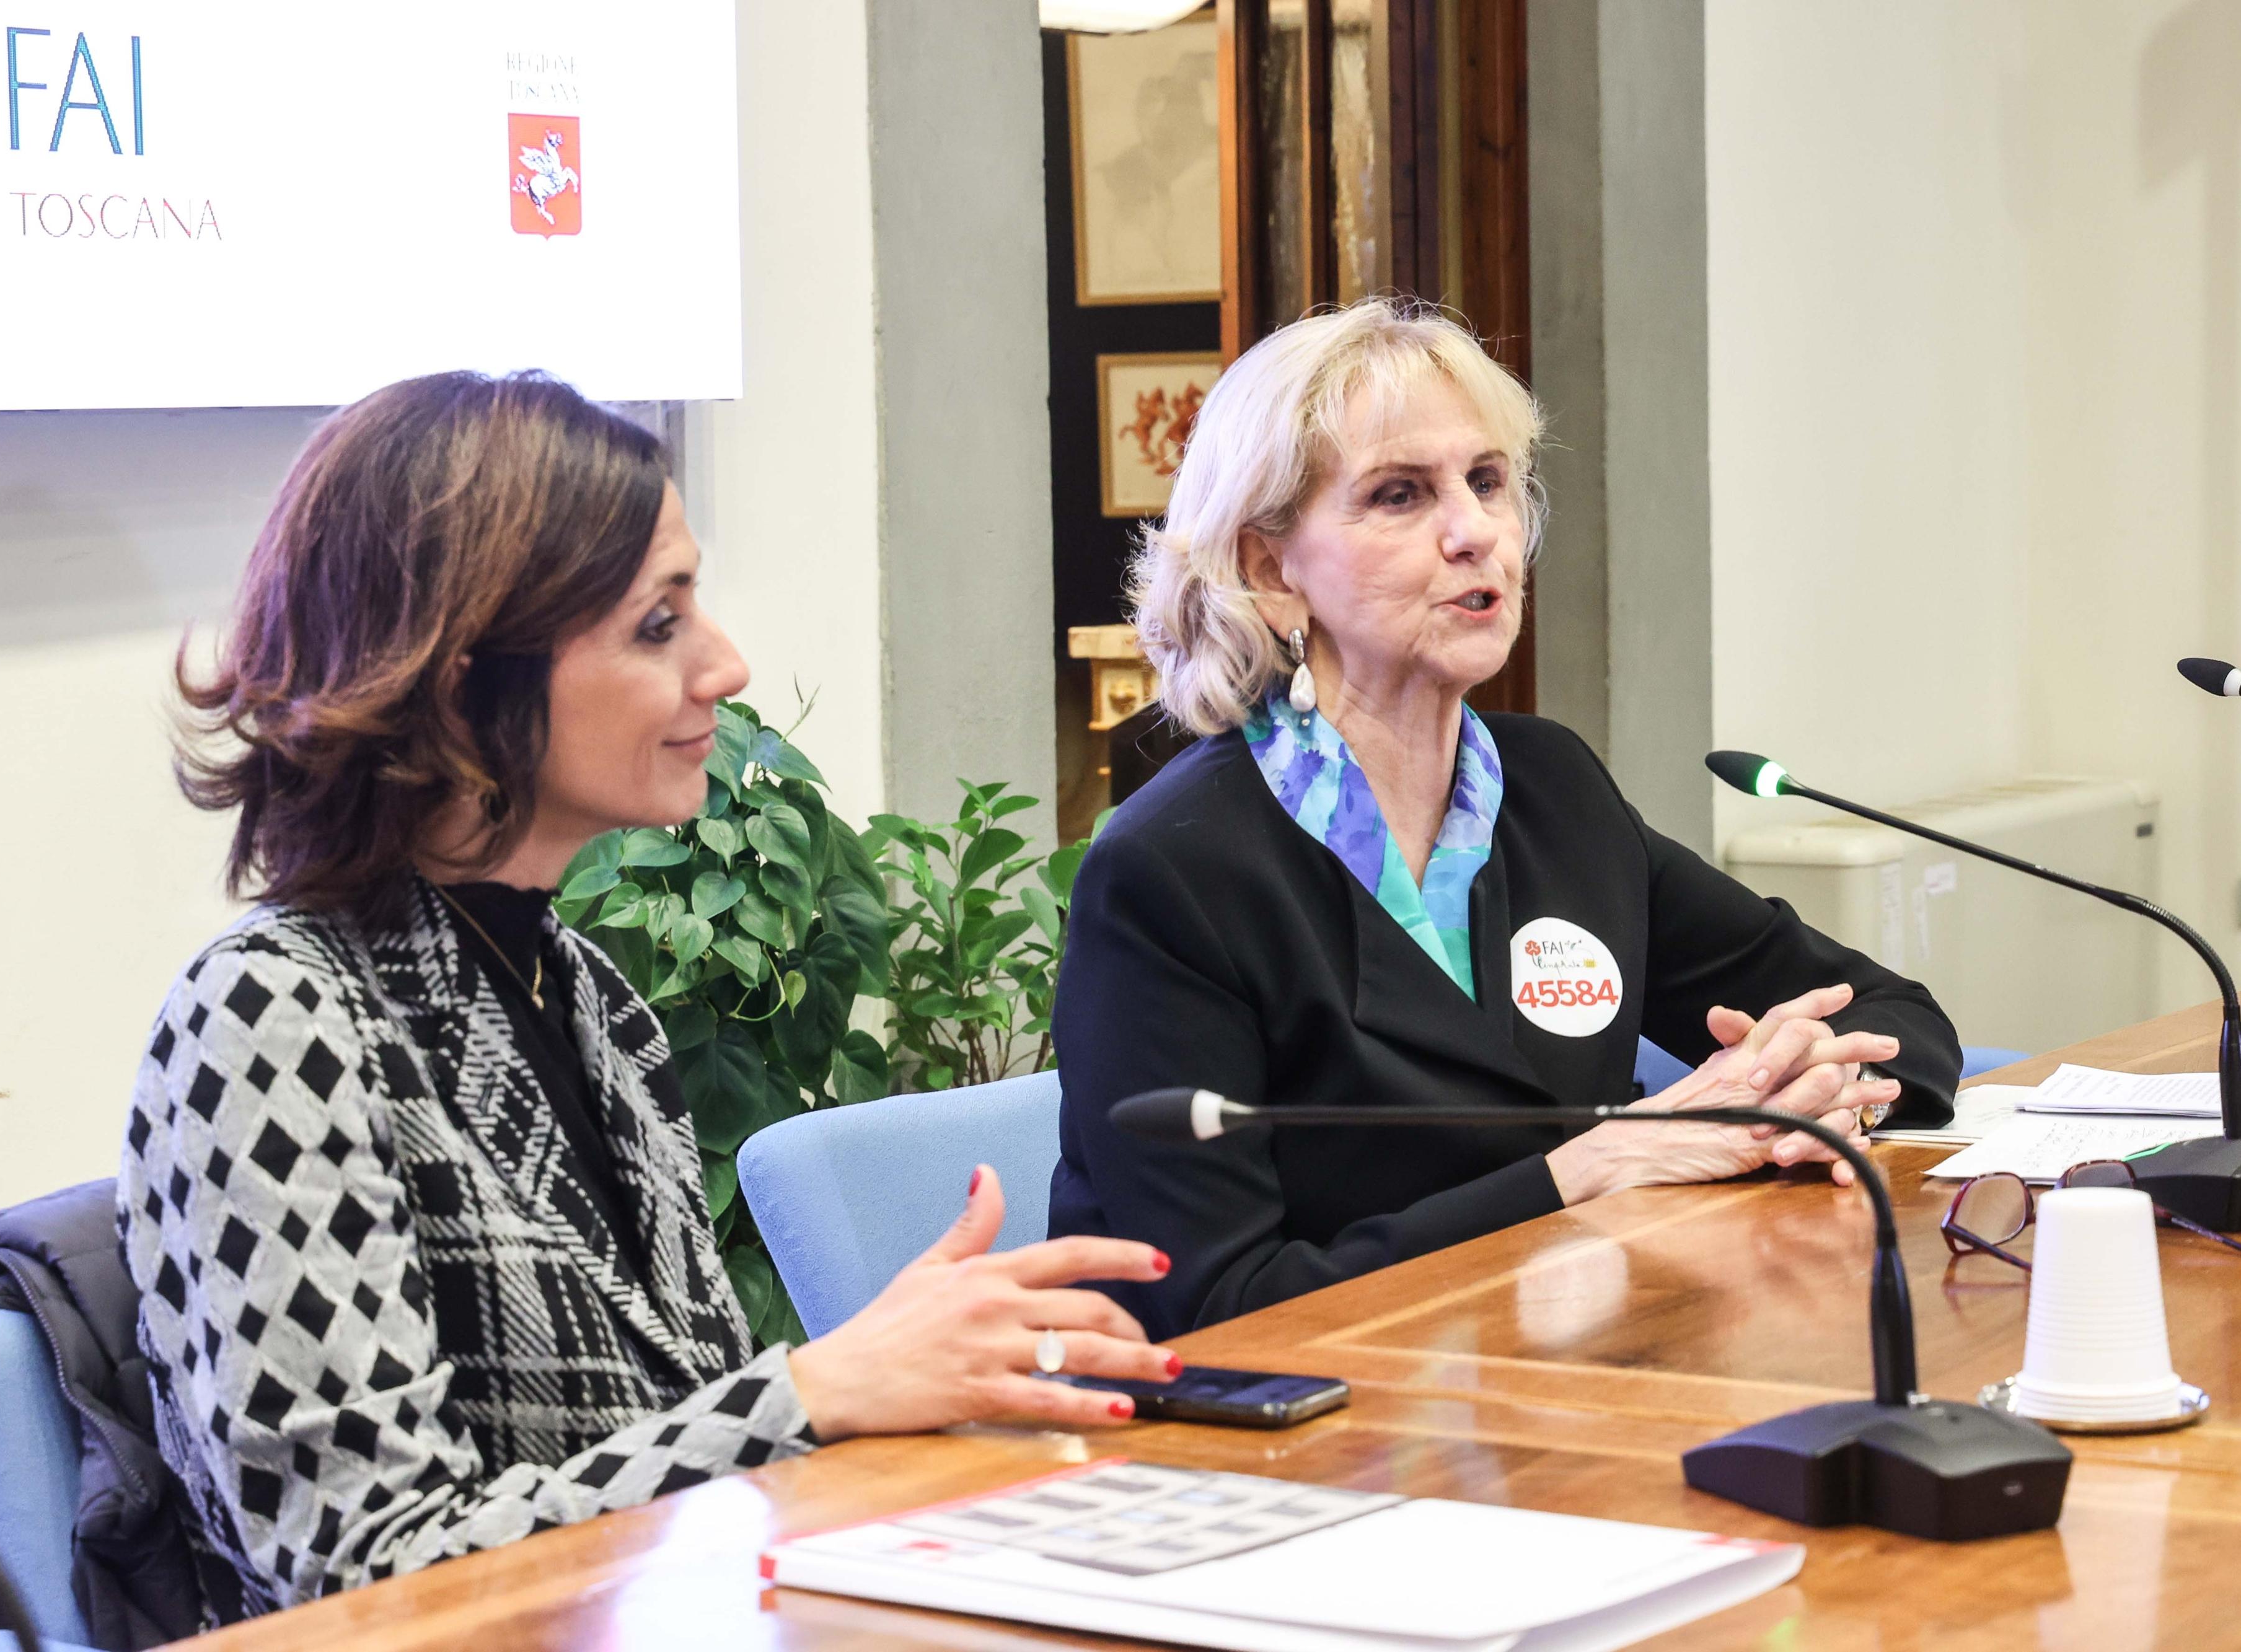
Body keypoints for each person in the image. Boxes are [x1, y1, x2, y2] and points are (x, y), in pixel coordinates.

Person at [119, 373, 1174, 1623]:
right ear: (463, 680)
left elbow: (690, 1450)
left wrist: (881, 1393)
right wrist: (815, 1393)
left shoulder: (587, 992)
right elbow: (359, 1570)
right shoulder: (269, 1020)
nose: (723, 666)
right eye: (656, 623)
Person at [1047, 298, 1960, 1340]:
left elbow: (1904, 1021)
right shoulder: (1173, 869)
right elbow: (1212, 1306)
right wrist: (1594, 1164)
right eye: (1399, 495)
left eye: (1488, 482)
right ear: (1268, 569)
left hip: (1580, 1368)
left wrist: (1810, 1092)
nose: (1474, 530)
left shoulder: (1551, 786)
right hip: (1301, 1445)